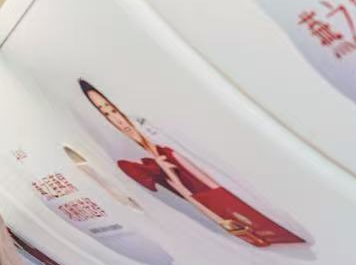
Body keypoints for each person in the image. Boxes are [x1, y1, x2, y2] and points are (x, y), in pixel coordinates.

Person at [78, 79, 305, 249]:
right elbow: (170, 191)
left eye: (113, 110)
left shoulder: (155, 131)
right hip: (206, 197)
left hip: (220, 182)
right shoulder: (137, 160)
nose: (116, 119)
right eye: (106, 114)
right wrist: (168, 172)